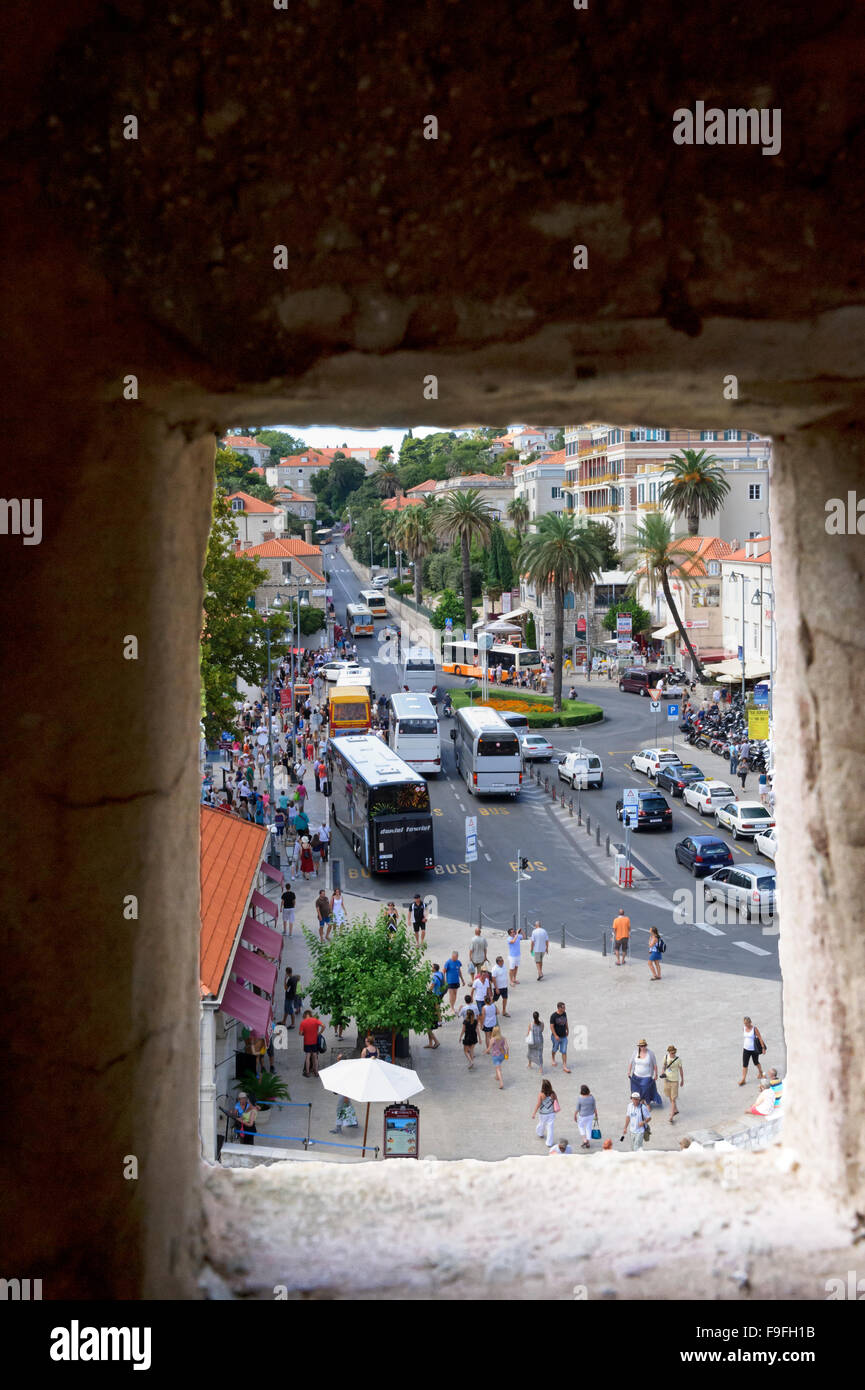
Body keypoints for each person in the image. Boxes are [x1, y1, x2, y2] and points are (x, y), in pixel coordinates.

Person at [628, 1038, 660, 1106]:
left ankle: (648, 1103)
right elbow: (631, 1062)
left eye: (644, 1045)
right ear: (639, 1046)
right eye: (641, 1046)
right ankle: (641, 1102)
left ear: (646, 1045)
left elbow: (655, 1065)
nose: (643, 1047)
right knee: (636, 1090)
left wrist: (656, 1074)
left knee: (646, 1090)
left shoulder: (650, 1053)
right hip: (636, 1076)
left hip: (646, 1076)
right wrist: (629, 1071)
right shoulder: (635, 1053)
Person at [739, 1016, 767, 1085]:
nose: (746, 1025)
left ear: (750, 1022)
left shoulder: (754, 1029)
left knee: (756, 1062)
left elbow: (760, 1038)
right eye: (744, 1023)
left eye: (747, 1023)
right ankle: (743, 1079)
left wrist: (763, 1048)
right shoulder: (744, 1028)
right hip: (746, 1049)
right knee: (745, 1064)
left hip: (754, 1049)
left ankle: (760, 1072)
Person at [532, 1078, 558, 1147]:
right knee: (550, 1127)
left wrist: (534, 1113)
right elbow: (556, 1101)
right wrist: (556, 1109)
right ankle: (549, 1143)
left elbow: (538, 1104)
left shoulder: (541, 1094)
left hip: (543, 1113)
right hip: (551, 1113)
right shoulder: (553, 1093)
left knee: (542, 1124)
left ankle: (540, 1133)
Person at [661, 1044, 684, 1122]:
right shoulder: (666, 1057)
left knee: (673, 1098)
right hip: (667, 1079)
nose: (673, 1054)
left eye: (674, 1052)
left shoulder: (678, 1060)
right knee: (670, 1096)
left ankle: (671, 1116)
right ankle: (675, 1110)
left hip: (674, 1081)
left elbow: (681, 1070)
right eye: (671, 1053)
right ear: (669, 1052)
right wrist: (662, 1072)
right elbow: (664, 1066)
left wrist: (682, 1080)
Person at [298, 1010, 325, 1077]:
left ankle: (307, 1073)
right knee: (315, 1057)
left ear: (305, 1015)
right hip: (314, 1041)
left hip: (307, 1042)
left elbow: (300, 1033)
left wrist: (304, 1033)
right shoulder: (315, 1020)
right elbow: (323, 1026)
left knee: (308, 1056)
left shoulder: (303, 1022)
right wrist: (319, 1033)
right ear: (310, 1014)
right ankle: (316, 1072)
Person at [549, 1002, 571, 1073]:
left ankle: (564, 1066)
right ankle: (553, 1058)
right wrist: (555, 1035)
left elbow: (566, 1022)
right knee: (555, 1049)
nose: (565, 1008)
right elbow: (551, 1027)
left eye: (564, 1007)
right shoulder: (553, 1016)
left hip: (564, 1036)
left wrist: (567, 1029)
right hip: (556, 1037)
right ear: (559, 1008)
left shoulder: (564, 1013)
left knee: (564, 1051)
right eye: (563, 1007)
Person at [574, 1084, 598, 1149]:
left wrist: (575, 1115)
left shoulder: (580, 1098)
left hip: (582, 1116)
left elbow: (577, 1109)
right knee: (588, 1128)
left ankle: (584, 1140)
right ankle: (588, 1142)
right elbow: (594, 1107)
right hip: (591, 1115)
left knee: (580, 1126)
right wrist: (596, 1114)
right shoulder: (592, 1097)